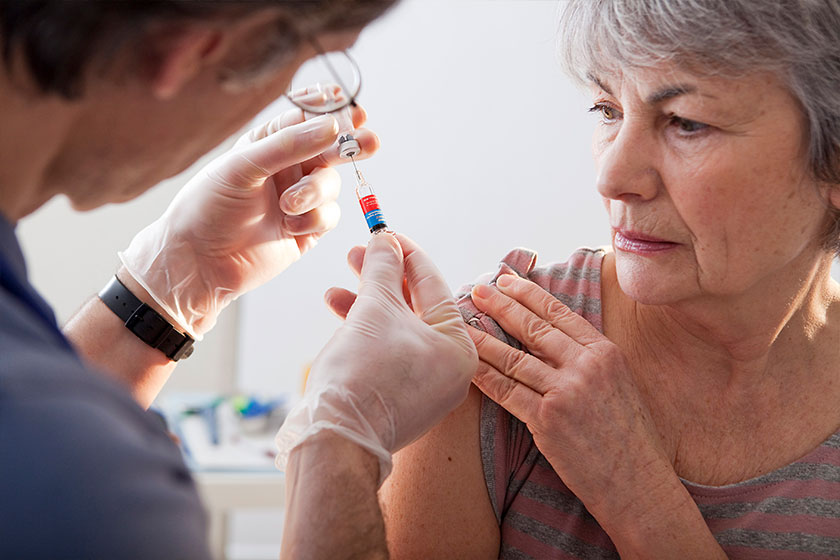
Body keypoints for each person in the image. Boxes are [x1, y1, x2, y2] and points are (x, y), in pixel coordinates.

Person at [0, 1, 477, 558]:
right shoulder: (97, 500)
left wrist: (168, 289)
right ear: (195, 50)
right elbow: (54, 461)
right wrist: (337, 446)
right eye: (302, 66)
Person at [378, 0, 840, 558]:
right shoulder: (493, 355)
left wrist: (639, 494)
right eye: (607, 109)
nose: (611, 177)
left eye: (686, 122)